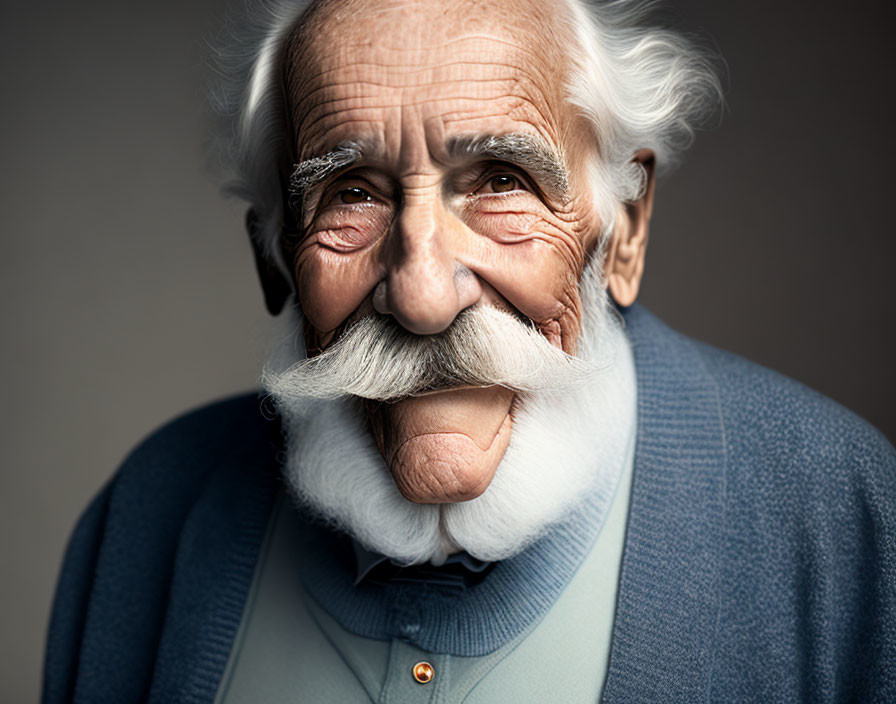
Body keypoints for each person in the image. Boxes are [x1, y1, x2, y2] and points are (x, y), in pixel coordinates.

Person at [43, 0, 895, 701]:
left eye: (500, 181)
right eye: (351, 194)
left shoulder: (846, 523)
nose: (421, 297)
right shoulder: (154, 515)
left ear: (625, 229)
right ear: (274, 257)